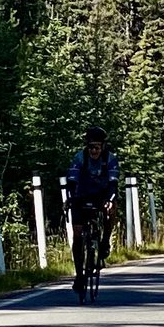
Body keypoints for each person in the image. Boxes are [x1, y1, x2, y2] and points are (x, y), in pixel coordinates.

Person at [66, 125, 120, 292]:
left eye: (97, 147)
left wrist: (110, 200)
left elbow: (113, 183)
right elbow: (72, 181)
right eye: (91, 147)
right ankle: (79, 275)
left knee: (112, 208)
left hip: (102, 194)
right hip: (81, 194)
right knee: (77, 234)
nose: (94, 150)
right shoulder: (80, 158)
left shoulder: (110, 159)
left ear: (103, 146)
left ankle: (104, 241)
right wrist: (70, 199)